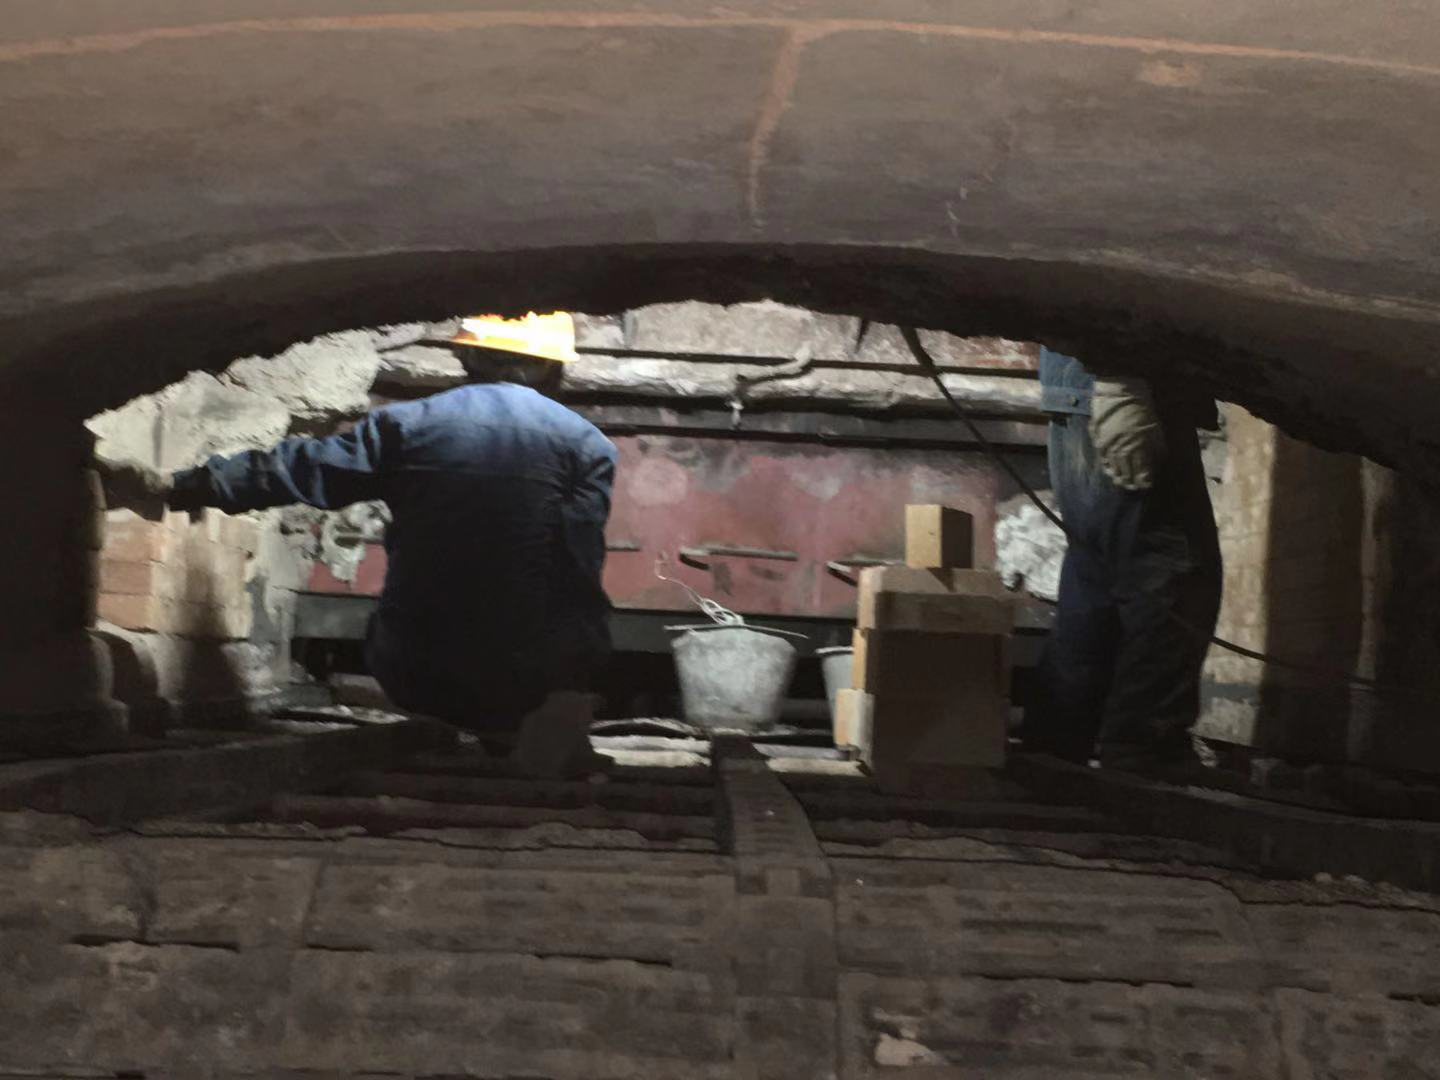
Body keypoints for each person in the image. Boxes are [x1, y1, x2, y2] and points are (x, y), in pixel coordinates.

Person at [99, 313, 617, 776]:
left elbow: (299, 468)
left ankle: (459, 731)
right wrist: (574, 683)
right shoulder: (586, 445)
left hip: (415, 662)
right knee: (544, 632)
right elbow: (578, 569)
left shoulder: (407, 424)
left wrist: (180, 486)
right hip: (525, 672)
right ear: (553, 368)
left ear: (466, 356)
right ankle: (520, 733)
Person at [1026, 347, 1222, 772]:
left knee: (1097, 578)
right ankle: (1145, 752)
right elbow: (1124, 301)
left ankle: (1057, 749)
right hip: (1124, 390)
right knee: (1173, 573)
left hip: (1086, 393)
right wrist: (1120, 379)